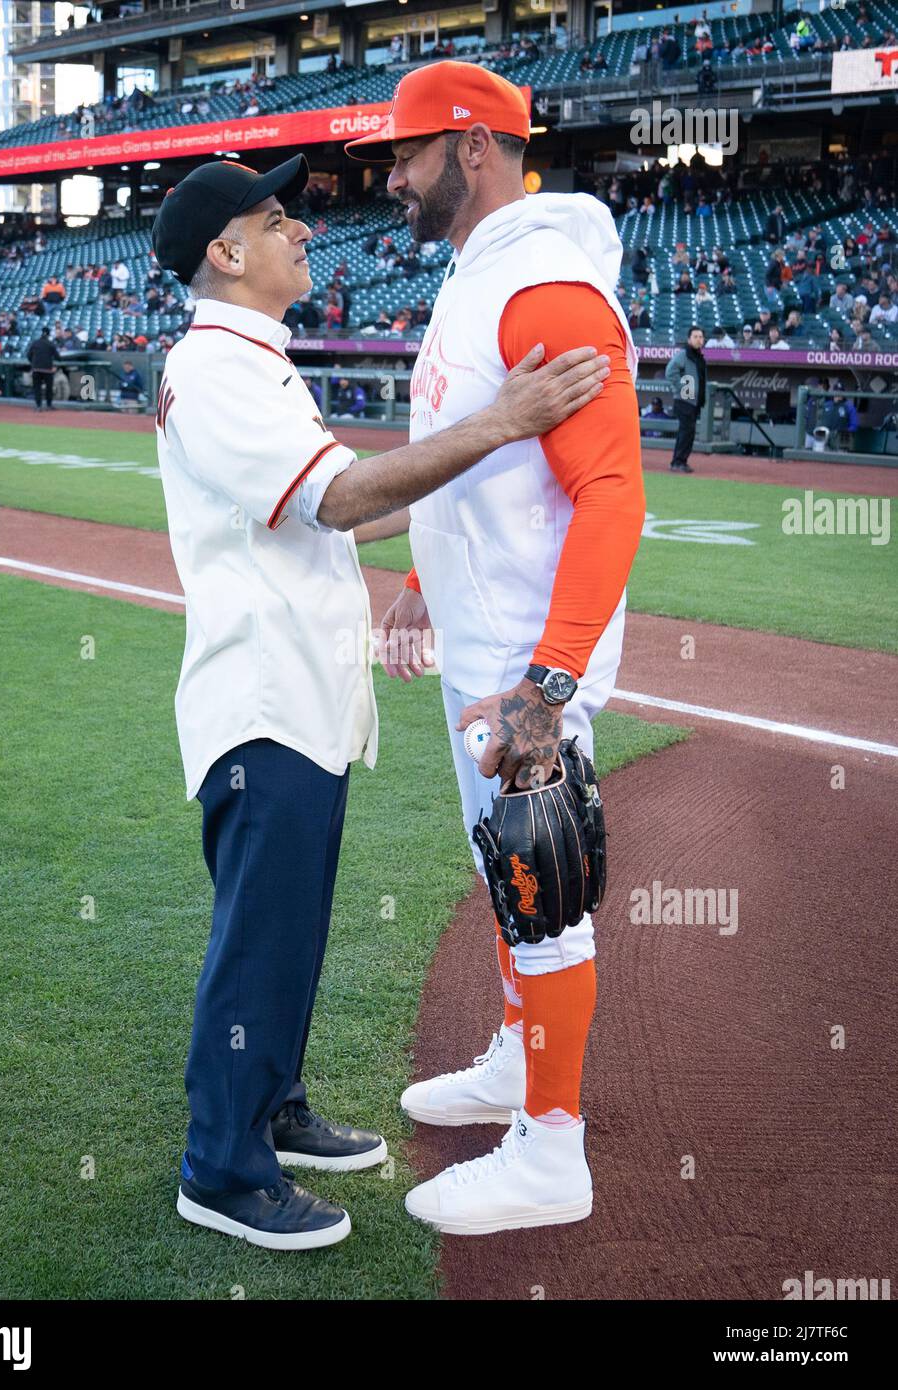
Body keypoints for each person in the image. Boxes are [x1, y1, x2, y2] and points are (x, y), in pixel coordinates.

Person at [149, 149, 608, 1251]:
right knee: (258, 937)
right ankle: (222, 1165)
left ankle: (272, 1105)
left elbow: (346, 515)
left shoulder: (248, 354)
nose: (302, 230)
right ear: (226, 251)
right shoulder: (215, 364)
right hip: (265, 699)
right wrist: (500, 423)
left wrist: (472, 498)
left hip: (299, 695)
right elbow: (342, 492)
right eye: (275, 219)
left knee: (290, 926)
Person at [346, 61, 644, 1235]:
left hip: (531, 663)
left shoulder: (543, 287)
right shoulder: (479, 278)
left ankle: (550, 1148)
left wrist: (548, 684)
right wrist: (421, 575)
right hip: (487, 650)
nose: (391, 176)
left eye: (407, 153)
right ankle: (522, 1062)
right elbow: (474, 464)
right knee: (503, 868)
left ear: (472, 147)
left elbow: (612, 494)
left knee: (543, 881)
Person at [664, 325, 706, 472]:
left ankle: (681, 461)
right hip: (684, 400)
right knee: (686, 432)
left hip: (693, 402)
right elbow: (670, 371)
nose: (698, 339)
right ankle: (677, 462)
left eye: (701, 337)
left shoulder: (698, 356)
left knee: (689, 433)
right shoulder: (684, 354)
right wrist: (683, 388)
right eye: (695, 337)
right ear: (689, 339)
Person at [28, 327, 58, 410]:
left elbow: (29, 356)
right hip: (47, 369)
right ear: (48, 334)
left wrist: (33, 363)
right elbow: (57, 357)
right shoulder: (50, 344)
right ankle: (49, 405)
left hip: (36, 369)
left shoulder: (35, 343)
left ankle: (38, 406)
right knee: (49, 388)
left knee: (37, 388)